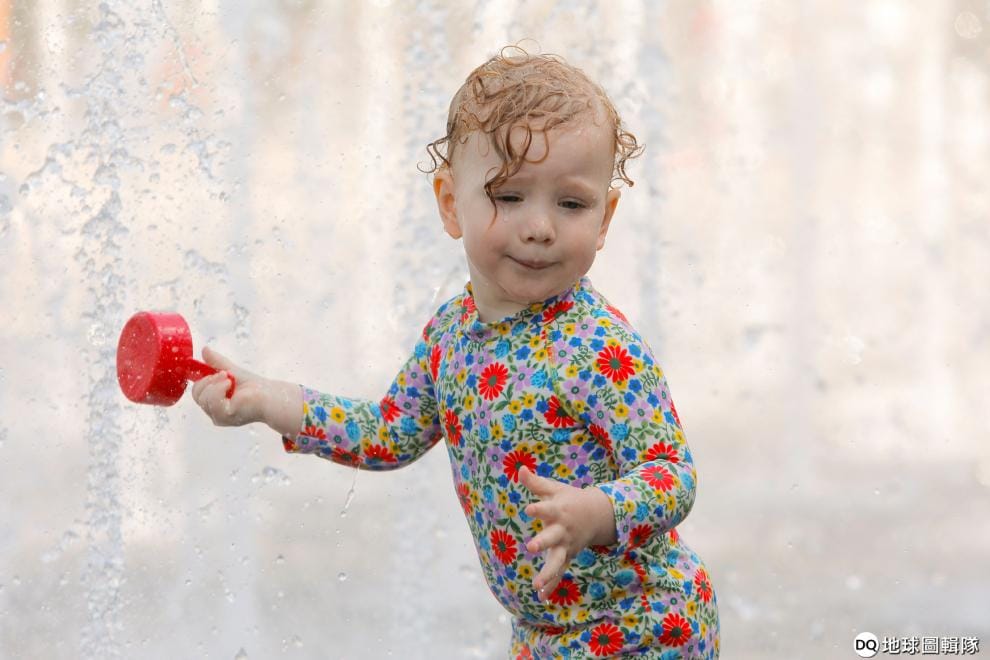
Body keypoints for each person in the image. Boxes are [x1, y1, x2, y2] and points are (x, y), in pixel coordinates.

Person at [192, 45, 720, 659]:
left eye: (572, 203)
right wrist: (267, 400)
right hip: (546, 634)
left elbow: (672, 474)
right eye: (509, 196)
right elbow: (386, 433)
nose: (540, 226)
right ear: (450, 203)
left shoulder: (600, 349)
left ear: (605, 218)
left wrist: (599, 510)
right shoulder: (451, 337)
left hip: (643, 625)